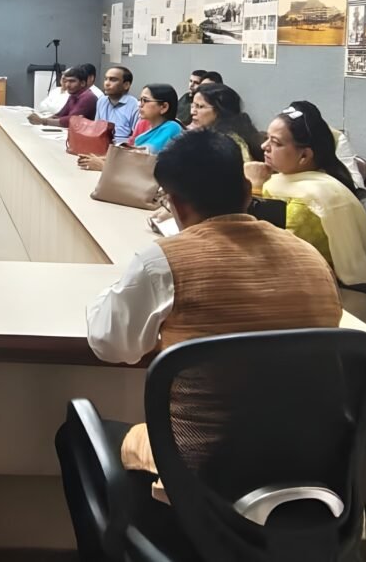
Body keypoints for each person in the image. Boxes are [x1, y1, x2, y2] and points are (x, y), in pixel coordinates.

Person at [66, 130, 343, 545]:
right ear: (248, 192)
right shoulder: (311, 258)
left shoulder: (164, 261)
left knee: (75, 433)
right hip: (311, 460)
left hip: (203, 463)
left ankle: (131, 547)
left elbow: (112, 346)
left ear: (175, 203)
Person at [243, 101, 366, 322]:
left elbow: (264, 253)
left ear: (304, 156)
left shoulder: (310, 201)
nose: (264, 147)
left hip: (320, 300)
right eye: (267, 138)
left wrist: (255, 189)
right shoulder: (290, 178)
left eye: (275, 143)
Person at [77, 84, 184, 171]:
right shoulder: (144, 124)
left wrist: (105, 166)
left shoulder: (172, 129)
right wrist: (102, 159)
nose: (139, 105)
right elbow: (131, 155)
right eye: (140, 100)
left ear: (164, 107)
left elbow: (145, 165)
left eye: (145, 101)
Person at [187, 83, 265, 162]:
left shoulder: (223, 144)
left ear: (219, 110)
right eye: (193, 106)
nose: (192, 112)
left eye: (200, 106)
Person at [28, 65, 96, 127]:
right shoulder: (73, 95)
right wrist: (42, 119)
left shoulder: (88, 97)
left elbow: (71, 120)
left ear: (83, 83)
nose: (67, 85)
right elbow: (61, 114)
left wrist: (43, 121)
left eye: (72, 81)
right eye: (66, 81)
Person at [94, 66, 140, 144]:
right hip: (101, 143)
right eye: (106, 79)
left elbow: (137, 137)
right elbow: (96, 127)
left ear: (126, 85)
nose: (107, 83)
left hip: (122, 148)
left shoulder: (135, 105)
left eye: (113, 80)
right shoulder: (101, 101)